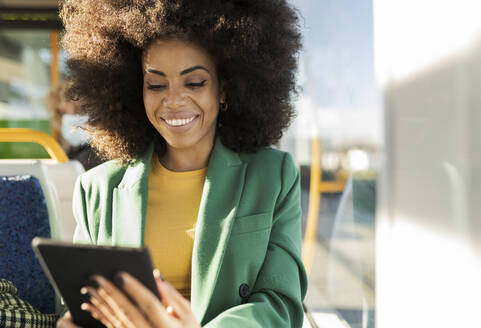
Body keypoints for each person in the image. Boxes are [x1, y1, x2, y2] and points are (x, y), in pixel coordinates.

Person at [57, 0, 307, 327]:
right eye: (156, 85)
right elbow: (83, 302)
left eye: (194, 82)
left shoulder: (274, 176)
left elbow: (281, 306)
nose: (173, 100)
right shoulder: (97, 188)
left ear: (225, 89)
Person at [45, 81, 103, 170]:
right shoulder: (68, 122)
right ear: (62, 108)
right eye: (71, 100)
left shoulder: (84, 115)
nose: (79, 102)